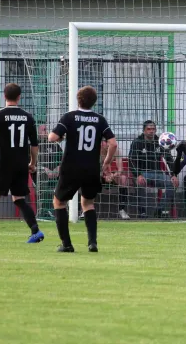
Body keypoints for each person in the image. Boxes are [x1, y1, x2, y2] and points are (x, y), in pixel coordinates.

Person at [49, 85, 117, 253]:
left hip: (71, 167)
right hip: (91, 168)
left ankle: (66, 244)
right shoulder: (100, 120)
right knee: (87, 203)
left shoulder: (69, 117)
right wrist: (107, 162)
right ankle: (92, 243)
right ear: (94, 102)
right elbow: (113, 143)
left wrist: (62, 137)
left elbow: (52, 137)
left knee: (59, 202)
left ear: (78, 100)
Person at [0, 83, 43, 244]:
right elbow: (34, 145)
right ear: (19, 97)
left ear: (4, 96)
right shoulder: (28, 117)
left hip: (4, 164)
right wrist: (32, 163)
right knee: (19, 198)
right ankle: (35, 231)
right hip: (21, 164)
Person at [128, 120, 175, 217]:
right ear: (144, 131)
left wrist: (174, 175)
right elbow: (131, 161)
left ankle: (160, 210)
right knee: (139, 183)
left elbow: (169, 159)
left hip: (158, 173)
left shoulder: (160, 141)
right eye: (149, 129)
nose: (151, 131)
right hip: (143, 173)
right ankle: (142, 212)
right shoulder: (137, 142)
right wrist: (138, 175)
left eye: (153, 129)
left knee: (172, 184)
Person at [33, 124, 62, 220]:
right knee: (42, 175)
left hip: (56, 173)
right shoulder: (36, 145)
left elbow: (62, 158)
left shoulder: (54, 144)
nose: (46, 131)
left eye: (46, 130)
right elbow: (33, 161)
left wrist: (58, 168)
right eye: (43, 130)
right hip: (42, 173)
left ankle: (63, 210)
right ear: (38, 132)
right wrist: (45, 169)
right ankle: (43, 211)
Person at [100, 140, 131, 219]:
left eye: (109, 142)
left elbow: (120, 169)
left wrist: (113, 175)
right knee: (88, 179)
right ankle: (85, 210)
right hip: (98, 175)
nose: (108, 144)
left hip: (110, 175)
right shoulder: (95, 150)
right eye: (105, 142)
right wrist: (103, 175)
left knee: (123, 178)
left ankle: (122, 209)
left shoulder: (115, 150)